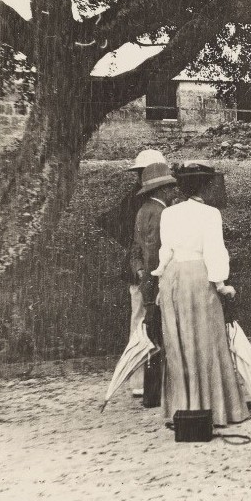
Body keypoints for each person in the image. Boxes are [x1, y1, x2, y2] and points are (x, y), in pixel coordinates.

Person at [151, 167, 251, 426]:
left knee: (181, 341)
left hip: (173, 278)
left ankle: (185, 407)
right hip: (198, 277)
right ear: (206, 186)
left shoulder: (169, 213)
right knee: (207, 339)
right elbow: (214, 251)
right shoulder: (210, 214)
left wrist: (162, 279)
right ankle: (215, 408)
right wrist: (221, 285)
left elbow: (166, 251)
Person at [96, 149, 167, 397]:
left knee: (146, 322)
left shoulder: (141, 199)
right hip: (141, 269)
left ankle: (149, 379)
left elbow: (108, 221)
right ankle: (139, 380)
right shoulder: (140, 201)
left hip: (142, 266)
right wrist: (132, 247)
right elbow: (108, 221)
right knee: (141, 322)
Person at [130, 161, 178, 408]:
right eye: (169, 188)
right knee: (163, 335)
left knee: (152, 334)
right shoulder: (164, 213)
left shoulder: (141, 211)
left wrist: (140, 271)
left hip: (145, 279)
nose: (173, 192)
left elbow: (136, 248)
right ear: (161, 191)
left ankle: (150, 393)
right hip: (160, 278)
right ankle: (161, 391)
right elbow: (160, 251)